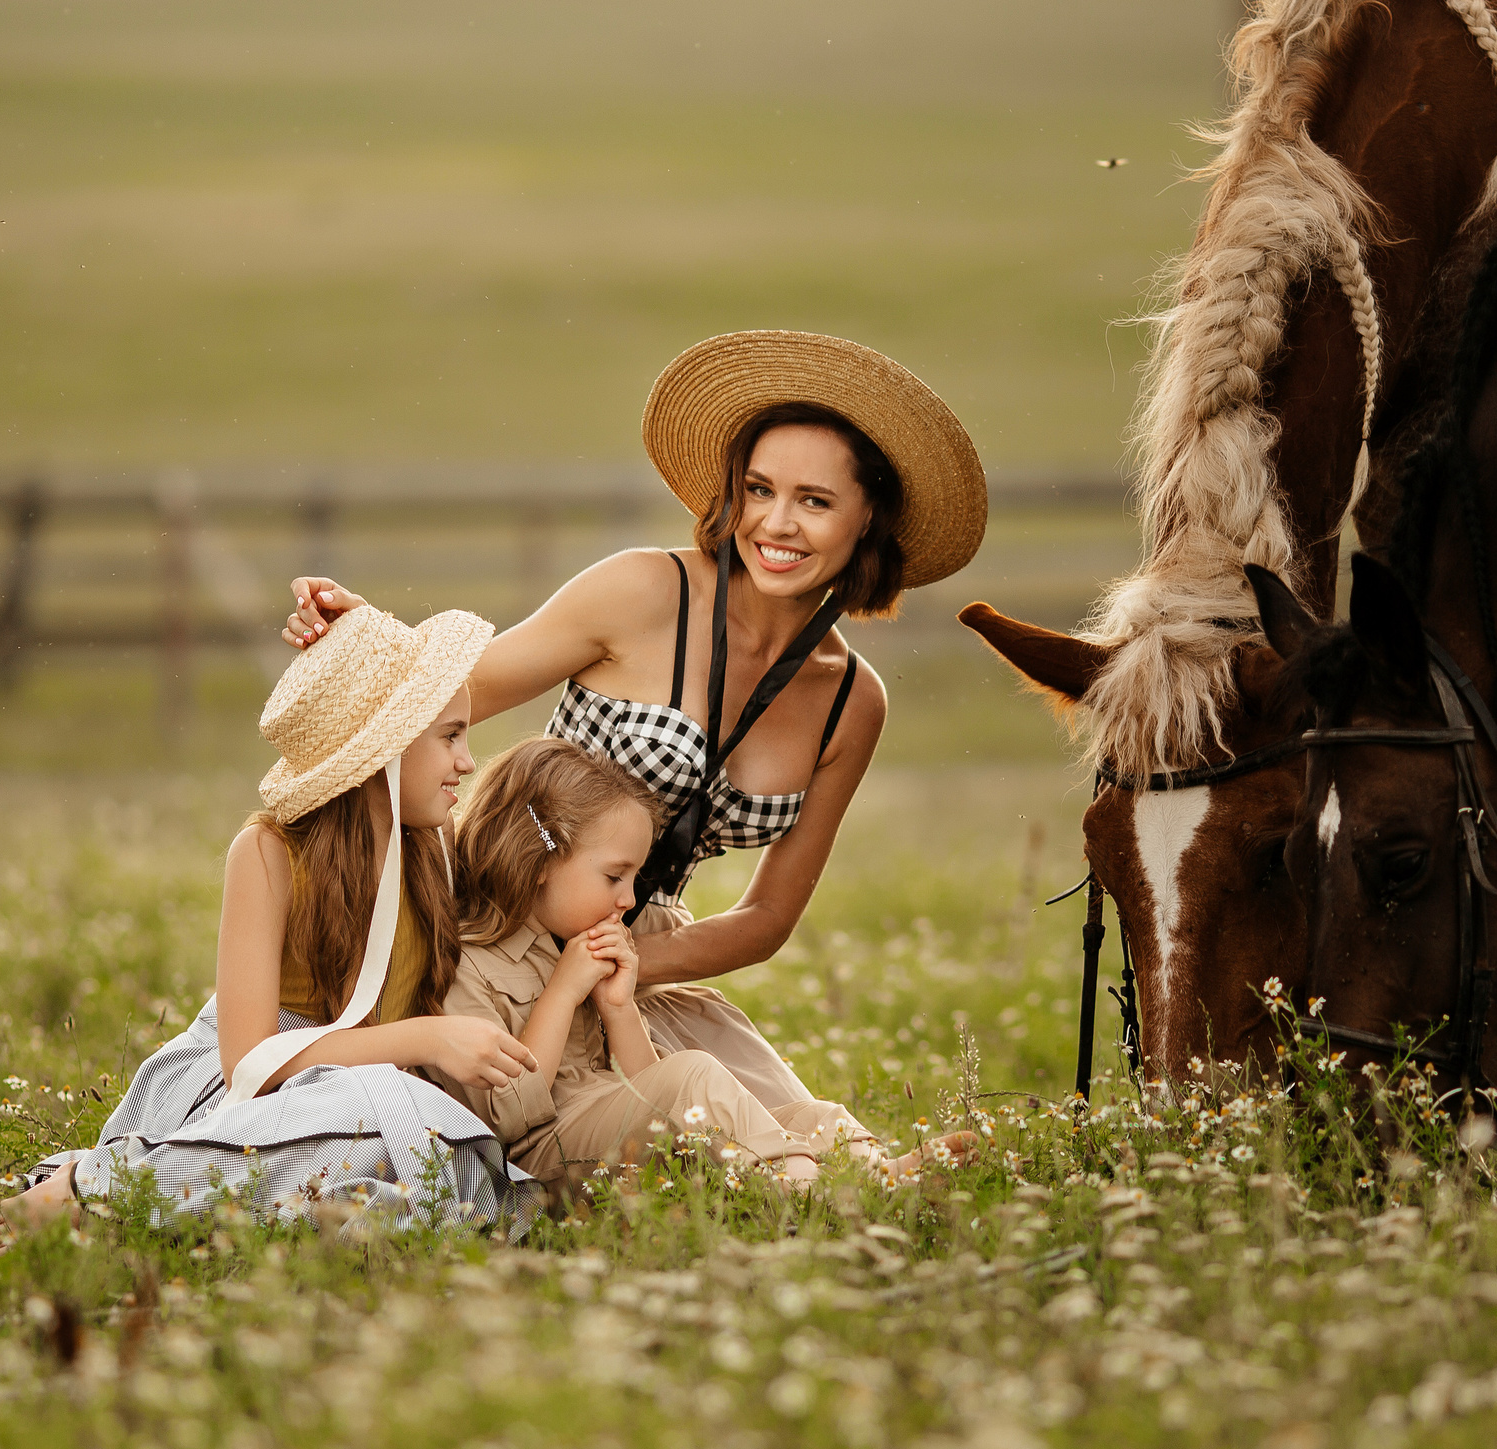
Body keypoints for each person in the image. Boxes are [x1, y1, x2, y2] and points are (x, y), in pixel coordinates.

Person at [282, 330, 985, 1113]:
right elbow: (453, 692)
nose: (776, 524)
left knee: (804, 1138)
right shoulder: (644, 592)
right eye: (758, 490)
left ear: (867, 521)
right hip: (499, 924)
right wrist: (361, 640)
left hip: (638, 953)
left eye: (814, 502)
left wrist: (628, 963)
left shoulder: (853, 700)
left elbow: (767, 915)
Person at [0, 606, 543, 1246]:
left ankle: (136, 1196)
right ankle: (102, 1190)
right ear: (387, 742)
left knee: (445, 1157)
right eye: (451, 737)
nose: (469, 762)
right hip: (258, 1091)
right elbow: (249, 1062)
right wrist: (427, 1040)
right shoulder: (271, 854)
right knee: (355, 1113)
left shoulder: (434, 849)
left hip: (369, 1106)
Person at [439, 737, 969, 1204]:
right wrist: (561, 993)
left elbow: (651, 1088)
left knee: (809, 1115)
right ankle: (811, 1199)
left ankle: (874, 1176)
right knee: (696, 1075)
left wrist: (618, 1007)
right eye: (614, 876)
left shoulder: (574, 944)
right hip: (542, 1160)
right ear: (539, 860)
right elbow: (504, 1118)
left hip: (614, 1133)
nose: (628, 898)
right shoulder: (468, 958)